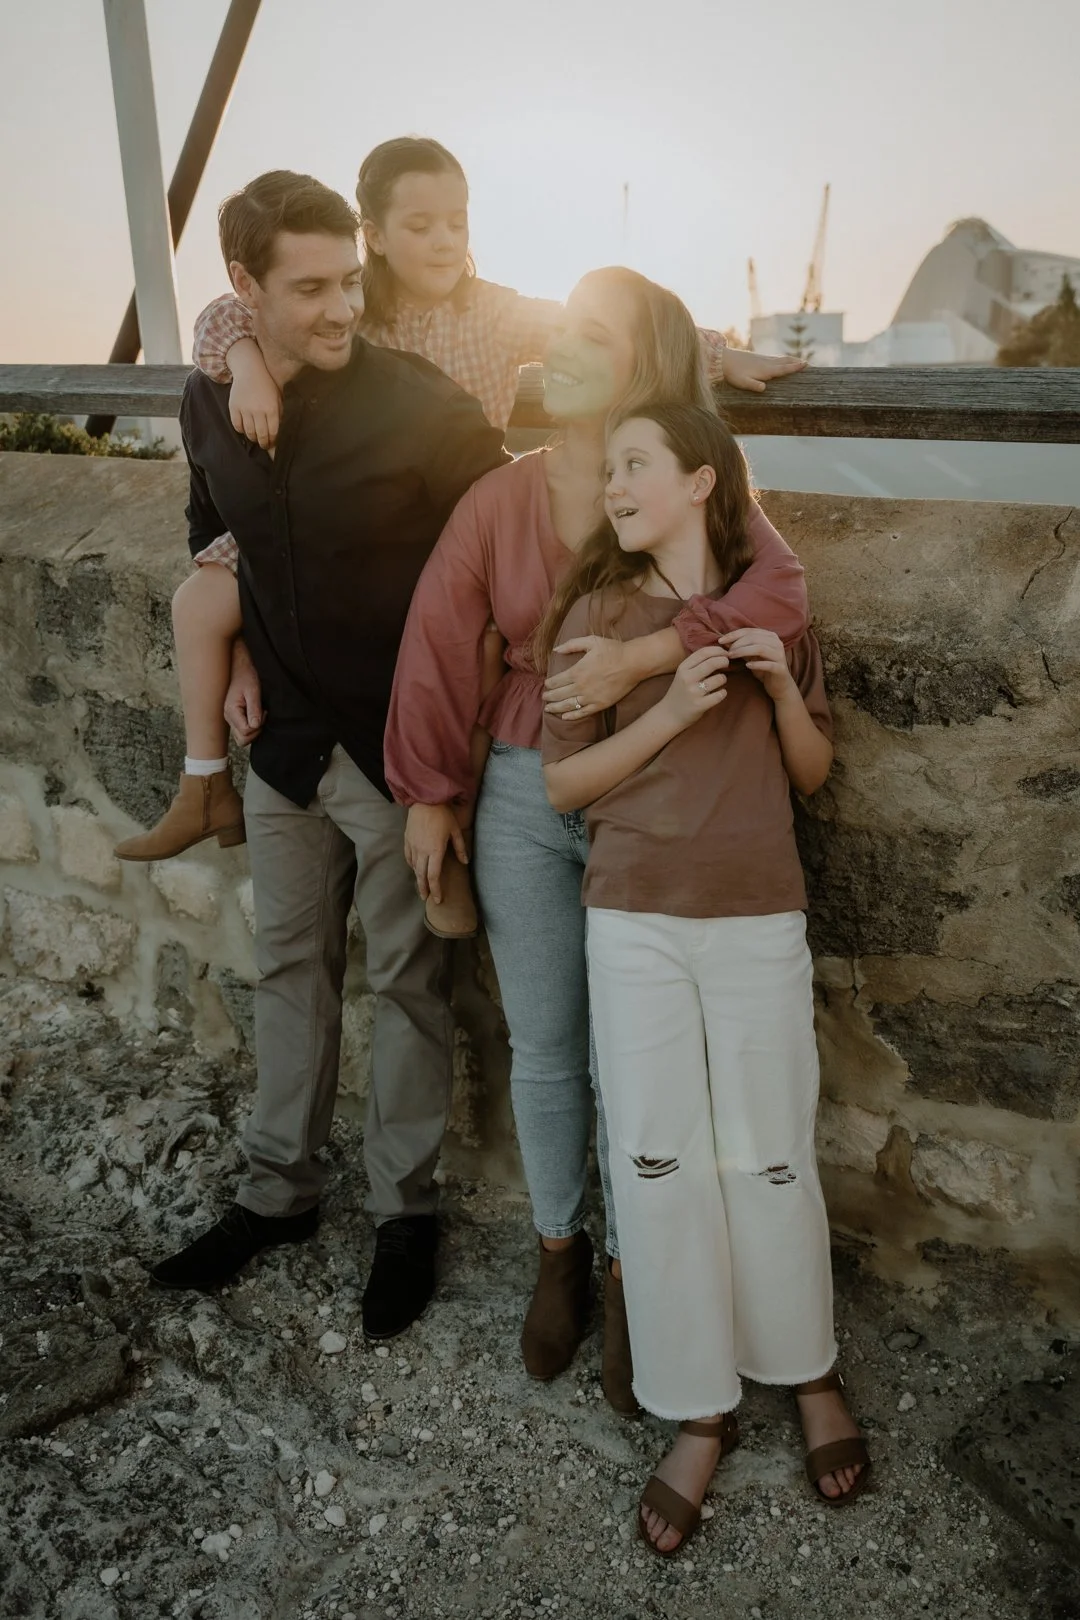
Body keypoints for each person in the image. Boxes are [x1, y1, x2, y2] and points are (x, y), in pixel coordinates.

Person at [114, 134, 803, 941]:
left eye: (457, 223)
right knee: (209, 594)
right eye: (419, 226)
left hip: (456, 511)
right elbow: (230, 313)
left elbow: (615, 330)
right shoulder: (341, 306)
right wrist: (248, 362)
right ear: (371, 232)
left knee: (483, 651)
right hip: (349, 529)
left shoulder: (494, 312)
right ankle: (242, 787)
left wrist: (713, 352)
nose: (444, 241)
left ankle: (456, 823)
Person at [383, 269, 811, 1415]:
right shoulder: (501, 496)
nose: (558, 345)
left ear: (641, 372)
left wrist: (647, 654)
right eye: (561, 327)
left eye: (590, 335)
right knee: (548, 1043)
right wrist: (431, 792)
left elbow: (783, 596)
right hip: (525, 785)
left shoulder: (687, 492)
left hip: (657, 796)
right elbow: (437, 636)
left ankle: (641, 1278)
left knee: (646, 1060)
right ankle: (561, 1252)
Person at [148, 170, 507, 1344]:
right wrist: (240, 644)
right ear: (244, 290)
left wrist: (448, 767)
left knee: (411, 985)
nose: (343, 307)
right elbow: (217, 531)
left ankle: (406, 1215)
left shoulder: (429, 412)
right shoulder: (210, 402)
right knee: (288, 967)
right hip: (283, 746)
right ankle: (276, 1195)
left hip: (404, 755)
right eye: (310, 290)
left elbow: (500, 579)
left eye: (350, 281)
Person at [539, 401, 870, 1557]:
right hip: (632, 925)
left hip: (757, 918)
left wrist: (779, 692)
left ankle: (808, 1372)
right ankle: (699, 1410)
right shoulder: (595, 616)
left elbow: (815, 774)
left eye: (635, 466)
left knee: (775, 1155)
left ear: (698, 481)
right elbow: (565, 790)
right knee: (659, 1162)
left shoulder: (771, 607)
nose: (613, 486)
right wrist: (671, 709)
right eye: (608, 469)